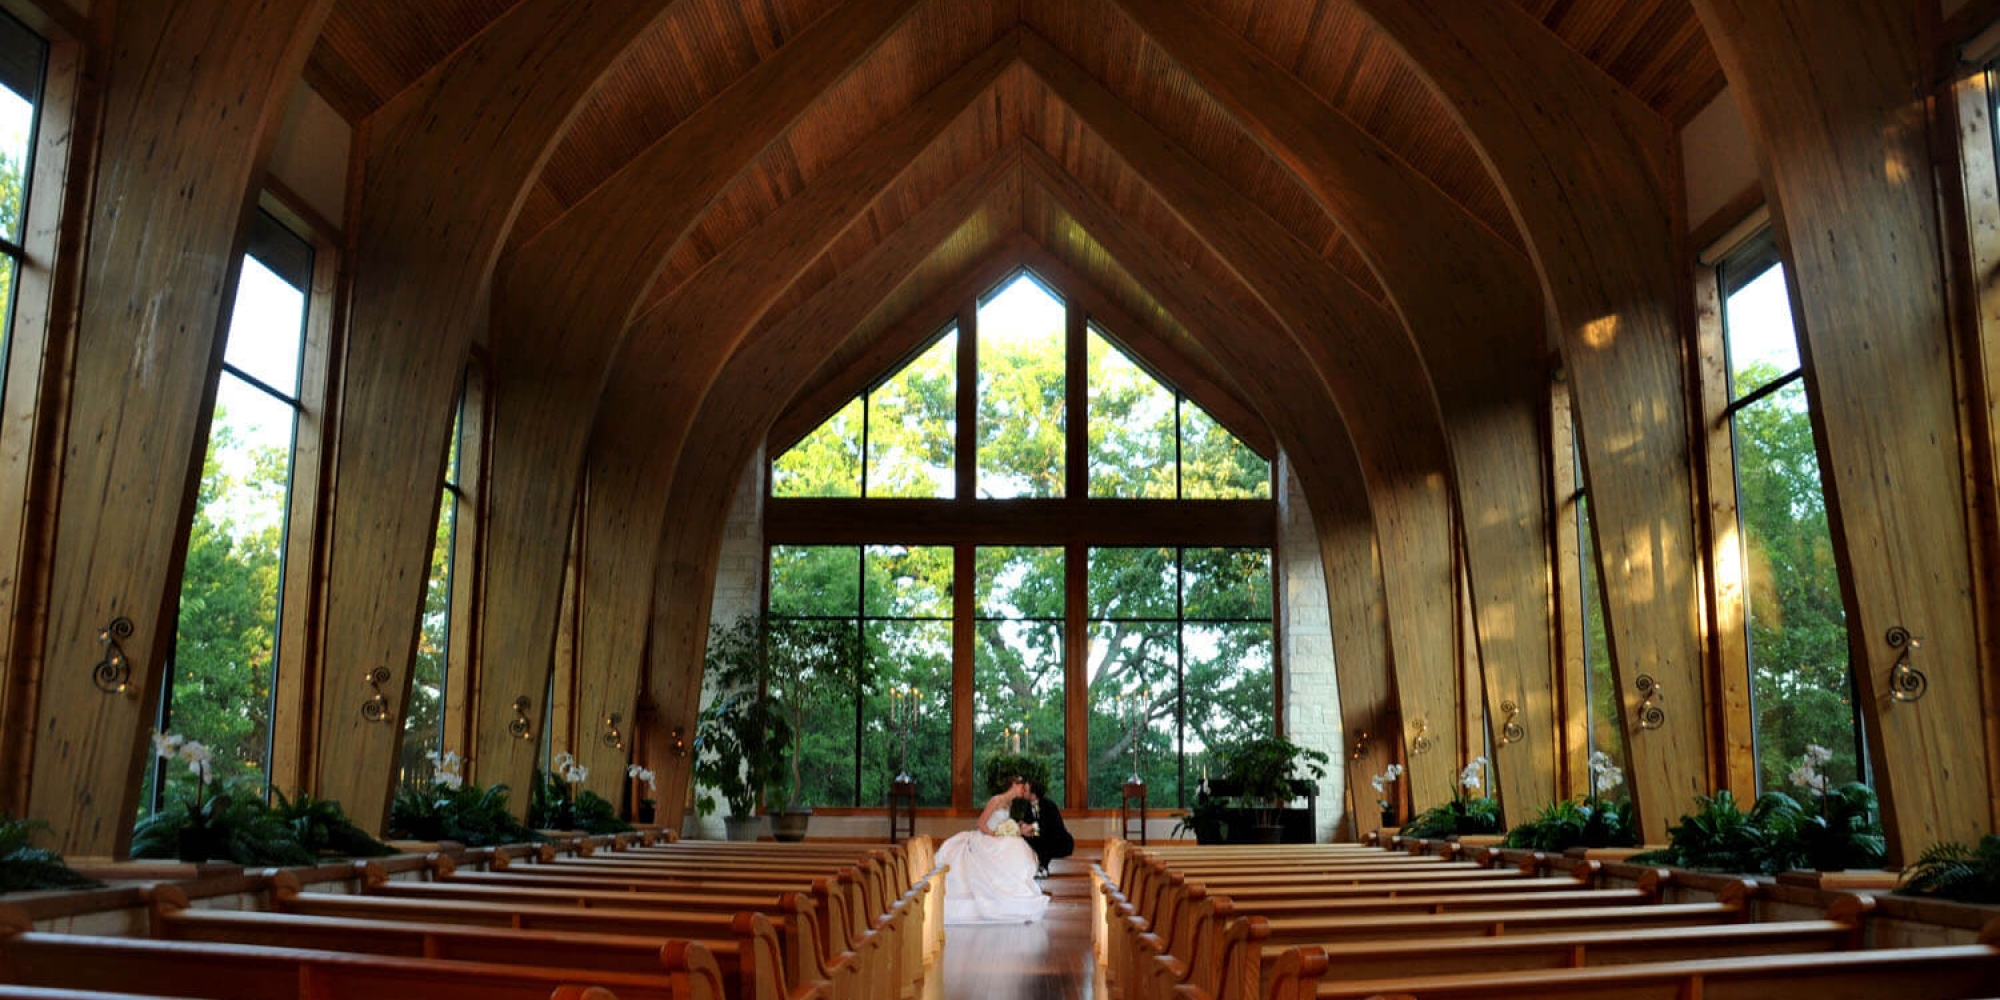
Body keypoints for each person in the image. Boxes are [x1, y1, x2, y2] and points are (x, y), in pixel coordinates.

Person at [934, 776, 1049, 924]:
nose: (1023, 791)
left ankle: (1015, 893)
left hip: (998, 838)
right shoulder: (996, 800)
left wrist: (1013, 830)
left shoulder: (1010, 803)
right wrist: (996, 834)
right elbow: (980, 824)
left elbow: (1005, 823)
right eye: (1022, 787)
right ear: (1014, 784)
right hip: (986, 837)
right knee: (1010, 849)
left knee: (1018, 849)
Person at [1021, 779, 1074, 878]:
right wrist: (1024, 827)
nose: (1023, 791)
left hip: (1059, 842)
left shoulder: (1049, 805)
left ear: (1033, 793)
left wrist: (1032, 827)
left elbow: (1049, 827)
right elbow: (1027, 821)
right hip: (1041, 839)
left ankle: (1043, 868)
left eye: (1026, 790)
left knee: (1043, 841)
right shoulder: (1029, 806)